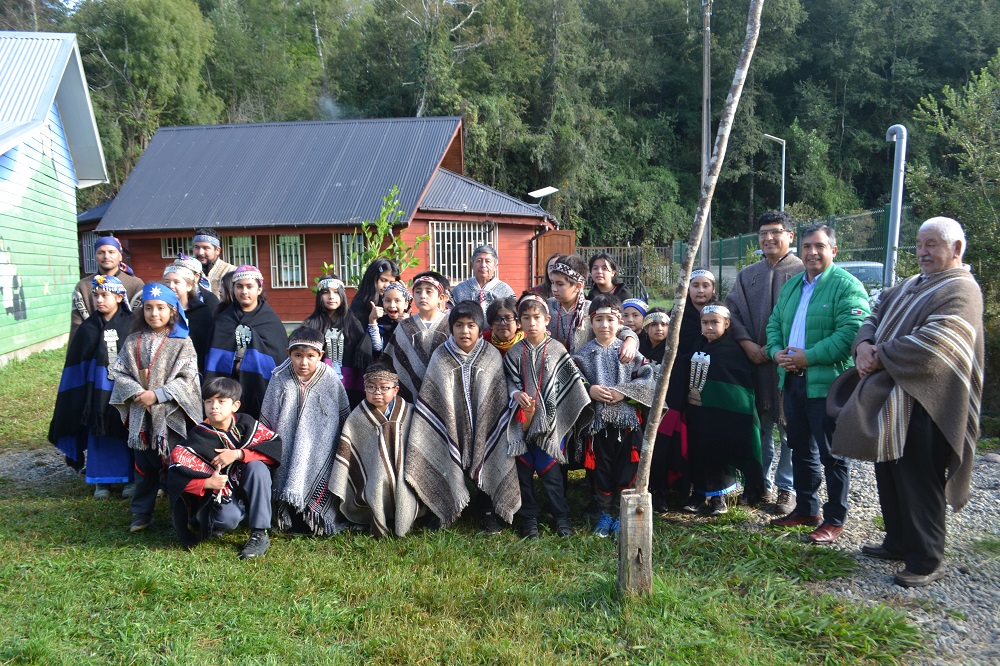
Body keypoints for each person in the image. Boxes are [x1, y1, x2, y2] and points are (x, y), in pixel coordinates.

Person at [832, 217, 983, 587]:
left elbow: (938, 343)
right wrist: (864, 345)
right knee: (889, 468)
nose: (923, 252)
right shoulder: (912, 284)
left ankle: (927, 558)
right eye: (919, 244)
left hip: (929, 401)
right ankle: (897, 541)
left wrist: (879, 354)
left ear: (956, 249)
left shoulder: (962, 289)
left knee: (919, 477)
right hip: (894, 398)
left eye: (931, 244)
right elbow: (873, 312)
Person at [765, 224, 869, 544]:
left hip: (827, 385)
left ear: (833, 251)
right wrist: (776, 352)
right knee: (799, 448)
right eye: (807, 246)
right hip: (793, 382)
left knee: (832, 454)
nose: (812, 252)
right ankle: (807, 509)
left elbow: (850, 334)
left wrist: (806, 358)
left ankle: (835, 518)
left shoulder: (847, 286)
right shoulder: (793, 285)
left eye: (820, 246)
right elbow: (774, 325)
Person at [405, 301, 520, 529]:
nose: (464, 331)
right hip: (450, 424)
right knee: (440, 445)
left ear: (480, 328)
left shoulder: (491, 355)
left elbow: (496, 400)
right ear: (451, 327)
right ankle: (445, 505)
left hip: (484, 424)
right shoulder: (440, 356)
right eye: (458, 325)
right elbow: (432, 399)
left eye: (470, 325)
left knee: (490, 447)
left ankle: (486, 509)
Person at [725, 210, 804, 514]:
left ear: (790, 236)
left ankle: (788, 488)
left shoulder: (803, 272)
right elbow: (732, 312)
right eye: (763, 233)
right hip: (755, 363)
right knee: (759, 425)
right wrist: (746, 344)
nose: (769, 238)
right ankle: (759, 484)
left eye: (776, 232)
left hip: (792, 365)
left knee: (790, 429)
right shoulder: (748, 275)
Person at [110, 283, 203, 533]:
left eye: (161, 308)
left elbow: (188, 378)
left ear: (172, 310)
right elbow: (118, 372)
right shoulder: (132, 342)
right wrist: (138, 393)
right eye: (149, 308)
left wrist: (158, 395)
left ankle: (183, 511)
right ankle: (141, 512)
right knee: (145, 466)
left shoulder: (182, 342)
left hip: (172, 415)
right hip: (142, 415)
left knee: (176, 465)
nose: (154, 314)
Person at [504, 293, 592, 539]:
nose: (532, 323)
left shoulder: (557, 350)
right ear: (519, 322)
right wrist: (515, 394)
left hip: (551, 426)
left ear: (547, 320)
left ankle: (560, 517)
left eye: (537, 318)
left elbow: (571, 382)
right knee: (523, 477)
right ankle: (528, 519)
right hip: (521, 425)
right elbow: (508, 382)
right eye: (526, 318)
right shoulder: (514, 352)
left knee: (552, 477)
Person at [167, 377, 282, 559]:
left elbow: (273, 447)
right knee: (227, 519)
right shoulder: (199, 436)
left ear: (235, 405)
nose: (215, 406)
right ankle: (221, 517)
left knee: (258, 468)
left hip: (246, 484)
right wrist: (206, 483)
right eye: (209, 401)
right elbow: (175, 475)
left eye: (221, 401)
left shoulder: (246, 424)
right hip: (217, 495)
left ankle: (260, 532)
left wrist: (238, 454)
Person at [573, 295, 655, 538]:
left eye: (610, 319)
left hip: (628, 425)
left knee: (627, 471)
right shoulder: (583, 354)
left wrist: (624, 392)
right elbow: (572, 380)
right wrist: (589, 389)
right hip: (598, 428)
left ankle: (622, 515)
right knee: (602, 471)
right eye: (599, 320)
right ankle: (605, 514)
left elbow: (648, 378)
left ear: (620, 322)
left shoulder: (630, 353)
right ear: (591, 322)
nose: (605, 325)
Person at [49, 275, 134, 499]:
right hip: (95, 394)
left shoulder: (132, 324)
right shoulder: (88, 327)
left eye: (105, 295)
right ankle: (101, 480)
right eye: (96, 295)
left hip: (124, 392)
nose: (99, 300)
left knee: (124, 432)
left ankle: (128, 478)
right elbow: (77, 363)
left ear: (119, 297)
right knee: (98, 431)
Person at [260, 327, 351, 535]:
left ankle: (315, 515)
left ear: (321, 355)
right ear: (288, 353)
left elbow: (342, 417)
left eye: (311, 356)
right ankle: (288, 515)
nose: (304, 362)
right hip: (286, 446)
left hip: (320, 449)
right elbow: (268, 418)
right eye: (298, 356)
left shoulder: (330, 379)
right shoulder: (279, 378)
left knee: (318, 462)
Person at [682, 304, 765, 515]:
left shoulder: (733, 352)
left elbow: (739, 385)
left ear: (727, 324)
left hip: (725, 415)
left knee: (721, 450)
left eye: (715, 322)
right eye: (705, 322)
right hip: (699, 413)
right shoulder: (695, 347)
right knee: (699, 451)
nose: (709, 327)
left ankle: (719, 498)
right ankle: (699, 494)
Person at [330, 361, 423, 537]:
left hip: (404, 472)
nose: (377, 392)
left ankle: (406, 517)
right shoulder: (356, 417)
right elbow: (350, 453)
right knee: (377, 482)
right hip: (372, 477)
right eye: (371, 387)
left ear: (395, 390)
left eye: (384, 388)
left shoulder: (409, 412)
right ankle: (376, 518)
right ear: (364, 388)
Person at [654, 268, 717, 510]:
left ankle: (707, 490)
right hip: (679, 385)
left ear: (713, 289)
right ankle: (667, 487)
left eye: (705, 285)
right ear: (687, 289)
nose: (700, 290)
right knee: (670, 435)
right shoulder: (678, 316)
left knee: (706, 437)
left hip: (709, 386)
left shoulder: (720, 314)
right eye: (695, 285)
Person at [204, 265, 287, 420]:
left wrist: (248, 364)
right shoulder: (222, 320)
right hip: (227, 393)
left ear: (259, 289)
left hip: (260, 391)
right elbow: (213, 359)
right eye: (239, 286)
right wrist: (235, 365)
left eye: (250, 286)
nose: (244, 291)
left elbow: (278, 360)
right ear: (233, 289)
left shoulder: (271, 321)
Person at [303, 275, 372, 408]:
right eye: (325, 292)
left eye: (336, 292)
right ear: (319, 296)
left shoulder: (353, 324)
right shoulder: (310, 325)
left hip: (350, 388)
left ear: (342, 295)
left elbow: (363, 356)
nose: (331, 296)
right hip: (318, 389)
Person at [384, 271, 451, 402]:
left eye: (429, 291)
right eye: (418, 291)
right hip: (411, 398)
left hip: (444, 394)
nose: (423, 296)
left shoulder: (450, 326)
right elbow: (391, 362)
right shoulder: (404, 327)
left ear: (441, 298)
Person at [70, 236, 143, 343]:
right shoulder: (83, 286)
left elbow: (140, 322)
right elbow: (77, 325)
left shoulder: (135, 285)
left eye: (111, 252)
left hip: (128, 344)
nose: (106, 256)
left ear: (120, 256)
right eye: (101, 252)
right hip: (92, 345)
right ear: (95, 256)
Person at [162, 257, 219, 372]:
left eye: (176, 282)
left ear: (189, 286)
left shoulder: (202, 312)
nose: (171, 286)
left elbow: (207, 345)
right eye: (167, 282)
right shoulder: (160, 311)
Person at [449, 245, 515, 313]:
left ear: (495, 266)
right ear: (472, 265)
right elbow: (449, 314)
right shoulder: (460, 290)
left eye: (488, 261)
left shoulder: (505, 290)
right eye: (479, 261)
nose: (483, 265)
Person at [349, 258, 400, 331]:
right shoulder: (360, 305)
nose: (386, 286)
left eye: (392, 283)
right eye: (383, 280)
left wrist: (403, 299)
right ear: (372, 279)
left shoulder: (397, 306)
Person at [367, 281, 412, 355]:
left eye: (397, 301)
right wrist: (372, 321)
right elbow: (378, 348)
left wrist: (407, 325)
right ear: (383, 302)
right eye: (387, 300)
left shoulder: (412, 323)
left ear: (406, 304)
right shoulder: (380, 323)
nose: (392, 305)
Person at [191, 228, 235, 299]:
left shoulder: (230, 272)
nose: (200, 252)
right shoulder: (186, 271)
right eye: (197, 247)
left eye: (206, 248)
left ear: (217, 250)